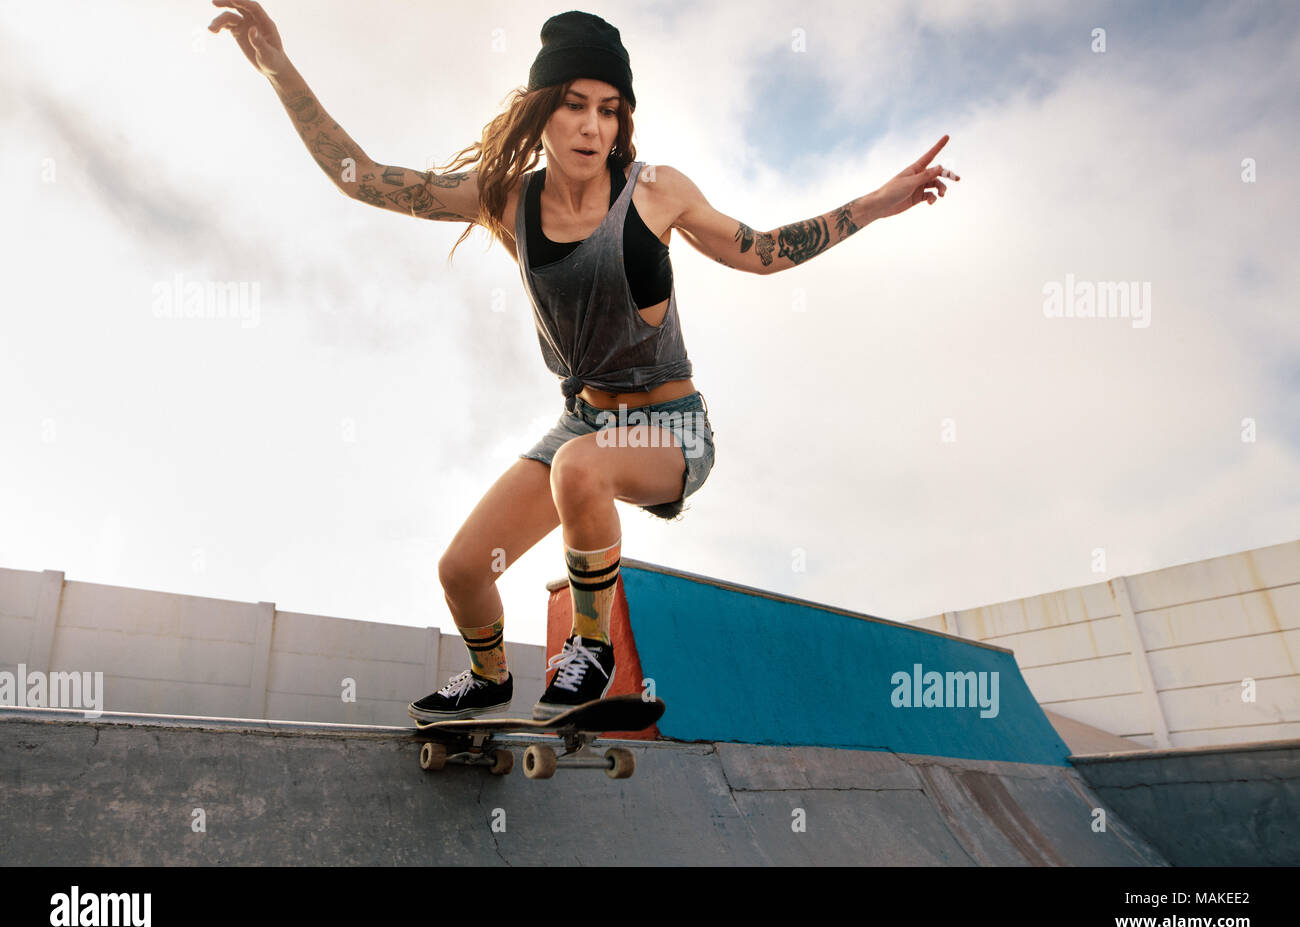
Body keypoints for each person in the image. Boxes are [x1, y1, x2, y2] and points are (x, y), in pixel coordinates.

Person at [209, 3, 958, 722]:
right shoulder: (505, 199)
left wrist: (877, 202)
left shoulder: (656, 192)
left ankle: (590, 652)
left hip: (673, 432)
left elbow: (763, 253)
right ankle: (488, 681)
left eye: (609, 109)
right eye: (575, 105)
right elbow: (362, 177)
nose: (594, 126)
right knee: (462, 569)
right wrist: (278, 66)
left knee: (580, 470)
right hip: (584, 424)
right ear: (543, 111)